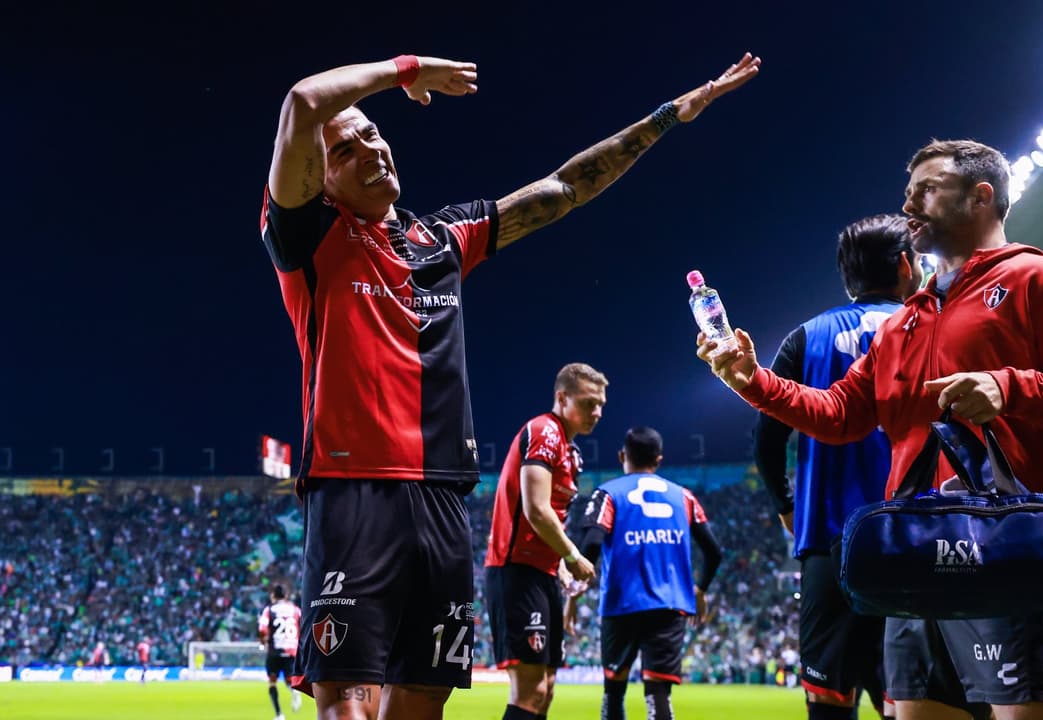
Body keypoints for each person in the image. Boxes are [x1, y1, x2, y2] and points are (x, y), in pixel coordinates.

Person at [262, 49, 759, 720]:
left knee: (421, 701)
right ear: (317, 180)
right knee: (346, 703)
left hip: (441, 500)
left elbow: (565, 188)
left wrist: (668, 116)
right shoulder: (309, 239)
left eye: (374, 135)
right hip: (355, 493)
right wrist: (403, 70)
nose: (371, 149)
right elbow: (302, 103)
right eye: (346, 149)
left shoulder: (440, 241)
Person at [696, 138, 1043, 720]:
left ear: (982, 197)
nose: (910, 206)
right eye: (907, 194)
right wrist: (751, 380)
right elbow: (839, 414)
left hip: (1003, 554)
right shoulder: (903, 321)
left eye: (927, 189)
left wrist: (1008, 388)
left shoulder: (1036, 279)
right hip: (914, 563)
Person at [754, 213, 922, 720]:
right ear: (905, 267)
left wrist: (785, 504)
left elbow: (767, 440)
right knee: (911, 697)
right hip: (914, 541)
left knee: (829, 700)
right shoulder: (929, 328)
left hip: (830, 542)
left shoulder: (806, 337)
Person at [484, 363, 609, 720]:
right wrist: (571, 555)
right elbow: (536, 509)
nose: (597, 412)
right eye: (588, 403)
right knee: (530, 690)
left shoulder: (571, 453)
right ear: (561, 397)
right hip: (516, 571)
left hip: (542, 573)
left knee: (547, 688)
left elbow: (553, 515)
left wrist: (561, 565)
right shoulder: (544, 432)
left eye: (601, 404)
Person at [574, 426, 724, 720]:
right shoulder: (684, 497)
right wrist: (701, 589)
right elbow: (714, 552)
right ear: (659, 459)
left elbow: (590, 544)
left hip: (622, 605)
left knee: (614, 691)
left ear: (622, 455)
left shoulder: (608, 494)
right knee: (658, 695)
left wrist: (574, 592)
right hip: (670, 606)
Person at [259, 585, 304, 720]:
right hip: (292, 650)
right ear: (286, 596)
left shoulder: (269, 609)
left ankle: (279, 715)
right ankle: (294, 691)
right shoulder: (296, 610)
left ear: (274, 595)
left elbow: (262, 629)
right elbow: (304, 625)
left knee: (272, 682)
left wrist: (263, 642)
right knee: (289, 680)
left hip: (275, 650)